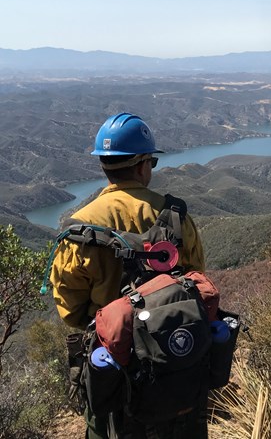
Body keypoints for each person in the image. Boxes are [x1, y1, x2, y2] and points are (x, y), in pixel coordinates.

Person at [49, 113, 208, 438]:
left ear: (103, 164)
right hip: (174, 363)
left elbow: (70, 311)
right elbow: (196, 280)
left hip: (111, 372)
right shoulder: (175, 218)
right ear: (142, 165)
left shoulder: (77, 230)